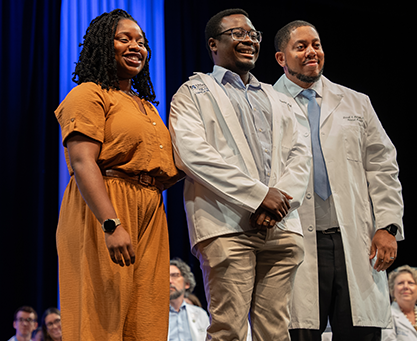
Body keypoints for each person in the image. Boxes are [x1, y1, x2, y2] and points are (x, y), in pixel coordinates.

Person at [169, 8, 311, 341]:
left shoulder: (278, 98)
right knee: (228, 329)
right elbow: (192, 155)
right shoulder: (192, 92)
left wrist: (279, 204)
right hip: (225, 225)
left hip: (281, 226)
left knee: (275, 332)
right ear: (213, 44)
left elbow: (300, 156)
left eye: (253, 34)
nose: (248, 39)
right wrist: (260, 197)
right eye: (237, 33)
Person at [272, 20, 404, 341]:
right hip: (294, 241)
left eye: (315, 44)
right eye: (300, 46)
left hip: (354, 242)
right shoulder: (265, 103)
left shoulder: (356, 102)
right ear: (281, 58)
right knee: (297, 331)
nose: (311, 52)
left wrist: (387, 227)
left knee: (361, 332)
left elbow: (383, 167)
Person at [55, 8, 181, 341]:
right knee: (101, 315)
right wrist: (111, 223)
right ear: (102, 45)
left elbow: (165, 166)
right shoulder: (88, 94)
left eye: (141, 41)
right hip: (107, 205)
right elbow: (82, 161)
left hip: (151, 209)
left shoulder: (145, 105)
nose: (136, 46)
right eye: (124, 39)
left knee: (147, 315)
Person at [168, 258, 210, 341]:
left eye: (174, 275)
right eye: (166, 276)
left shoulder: (201, 314)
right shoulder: (154, 314)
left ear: (187, 283)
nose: (169, 281)